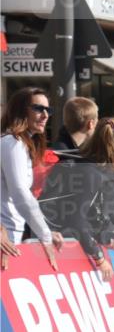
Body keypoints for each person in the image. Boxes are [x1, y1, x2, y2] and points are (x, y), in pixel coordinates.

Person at [40, 118, 114, 281]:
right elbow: (77, 220)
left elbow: (98, 214)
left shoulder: (97, 168)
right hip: (57, 247)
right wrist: (99, 259)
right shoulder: (89, 172)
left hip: (64, 243)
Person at [0, 87, 62, 269]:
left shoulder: (17, 142)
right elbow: (20, 193)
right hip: (6, 234)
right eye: (38, 108)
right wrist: (45, 234)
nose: (45, 115)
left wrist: (45, 230)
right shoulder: (12, 142)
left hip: (10, 232)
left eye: (48, 110)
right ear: (21, 110)